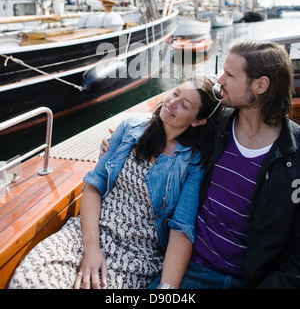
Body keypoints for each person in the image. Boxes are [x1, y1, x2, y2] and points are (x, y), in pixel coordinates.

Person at [9, 77, 223, 290]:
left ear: (198, 120)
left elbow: (181, 228)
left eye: (185, 105)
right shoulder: (130, 129)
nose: (172, 102)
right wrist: (91, 248)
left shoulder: (192, 162)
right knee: (29, 279)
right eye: (176, 93)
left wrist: (166, 288)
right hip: (89, 231)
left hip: (138, 255)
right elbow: (94, 185)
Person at [176, 40, 300, 289]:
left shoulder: (295, 156)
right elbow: (170, 129)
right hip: (193, 267)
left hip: (254, 282)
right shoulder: (215, 125)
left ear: (260, 85)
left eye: (230, 74)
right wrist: (125, 138)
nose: (219, 79)